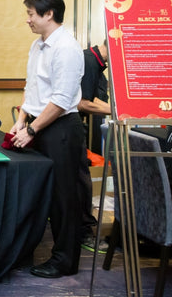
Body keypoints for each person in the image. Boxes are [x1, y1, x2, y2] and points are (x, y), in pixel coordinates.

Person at [10, 0, 86, 278]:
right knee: (44, 193)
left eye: (30, 13)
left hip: (61, 128)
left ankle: (65, 261)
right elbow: (32, 88)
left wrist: (32, 129)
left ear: (48, 14)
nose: (27, 19)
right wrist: (21, 119)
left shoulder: (67, 47)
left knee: (65, 198)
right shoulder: (38, 46)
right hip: (39, 123)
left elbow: (62, 99)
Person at [78, 40, 111, 253]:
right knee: (82, 182)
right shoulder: (89, 61)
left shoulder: (96, 63)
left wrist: (114, 108)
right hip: (66, 127)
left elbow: (96, 99)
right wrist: (117, 111)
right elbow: (82, 102)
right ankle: (84, 233)